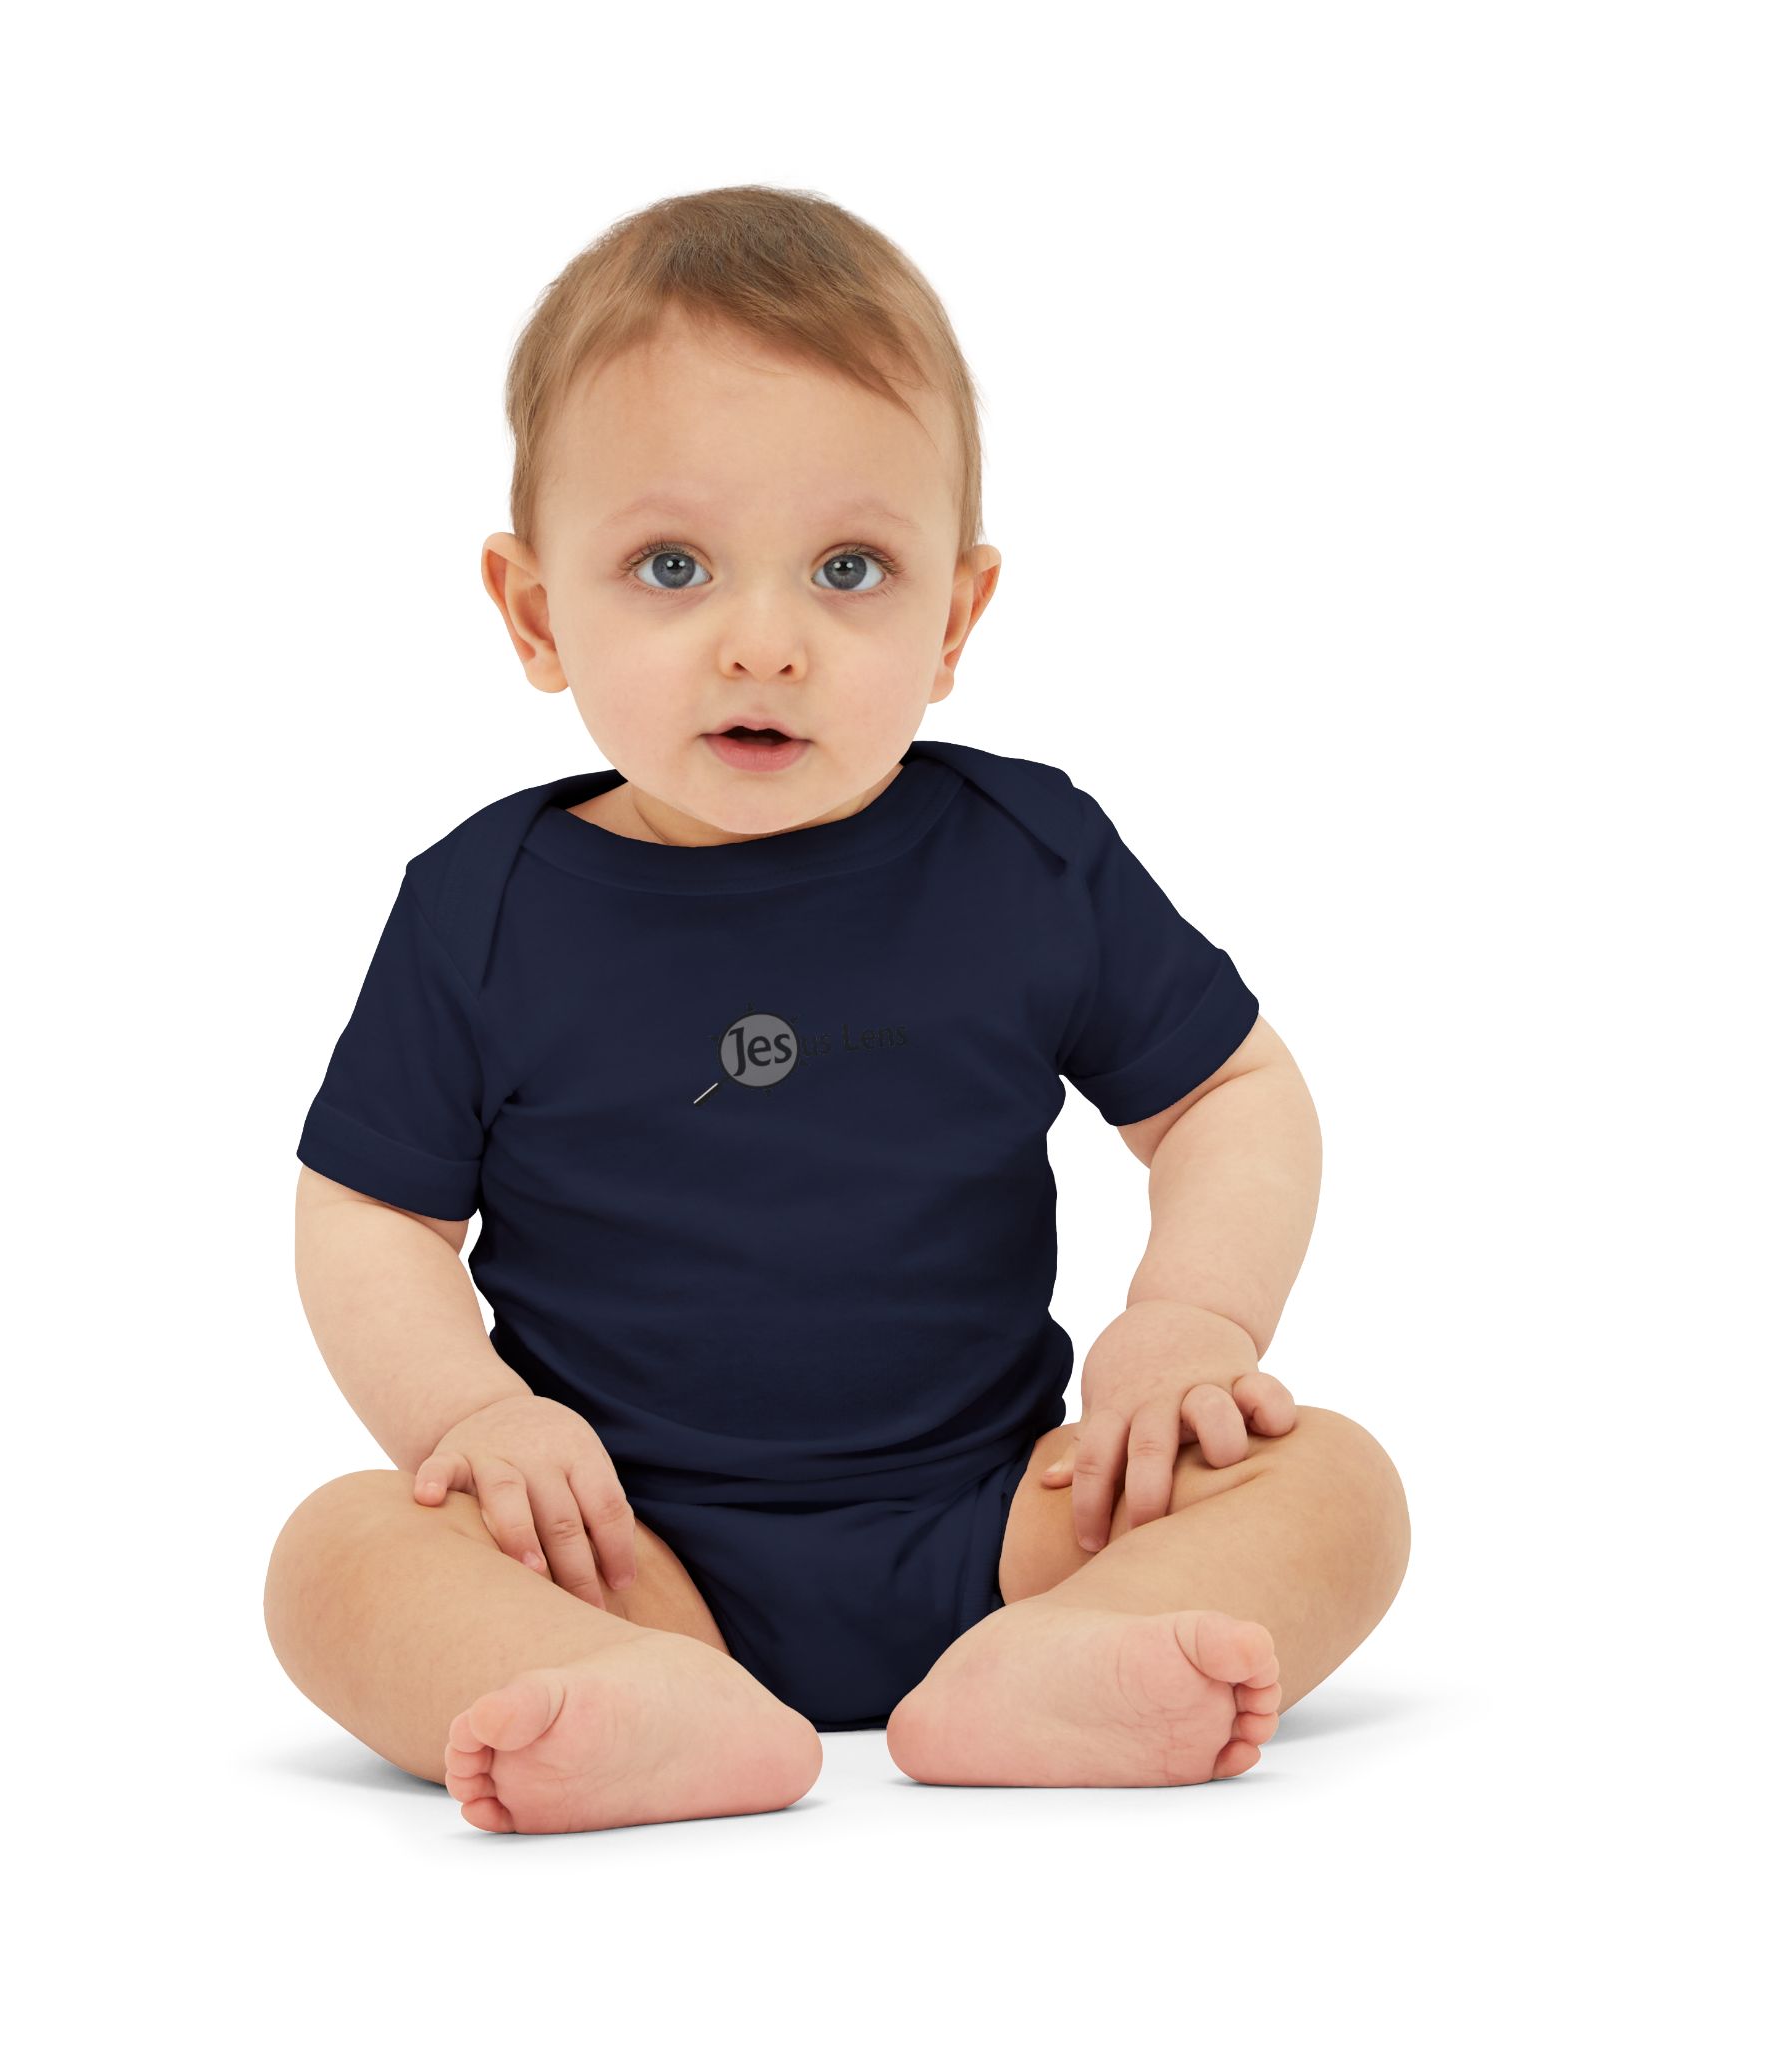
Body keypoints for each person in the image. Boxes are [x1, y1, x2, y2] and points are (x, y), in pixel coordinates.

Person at [263, 185, 1410, 1835]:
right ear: (534, 613)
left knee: (1336, 1481)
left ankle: (1061, 1661)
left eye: (849, 569)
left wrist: (1193, 1324)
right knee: (336, 1553)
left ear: (952, 619)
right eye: (672, 567)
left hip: (1009, 1522)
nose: (765, 645)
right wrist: (476, 1421)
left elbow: (1229, 1095)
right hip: (615, 1549)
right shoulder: (481, 908)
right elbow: (370, 1213)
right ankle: (645, 1692)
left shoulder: (1026, 857)